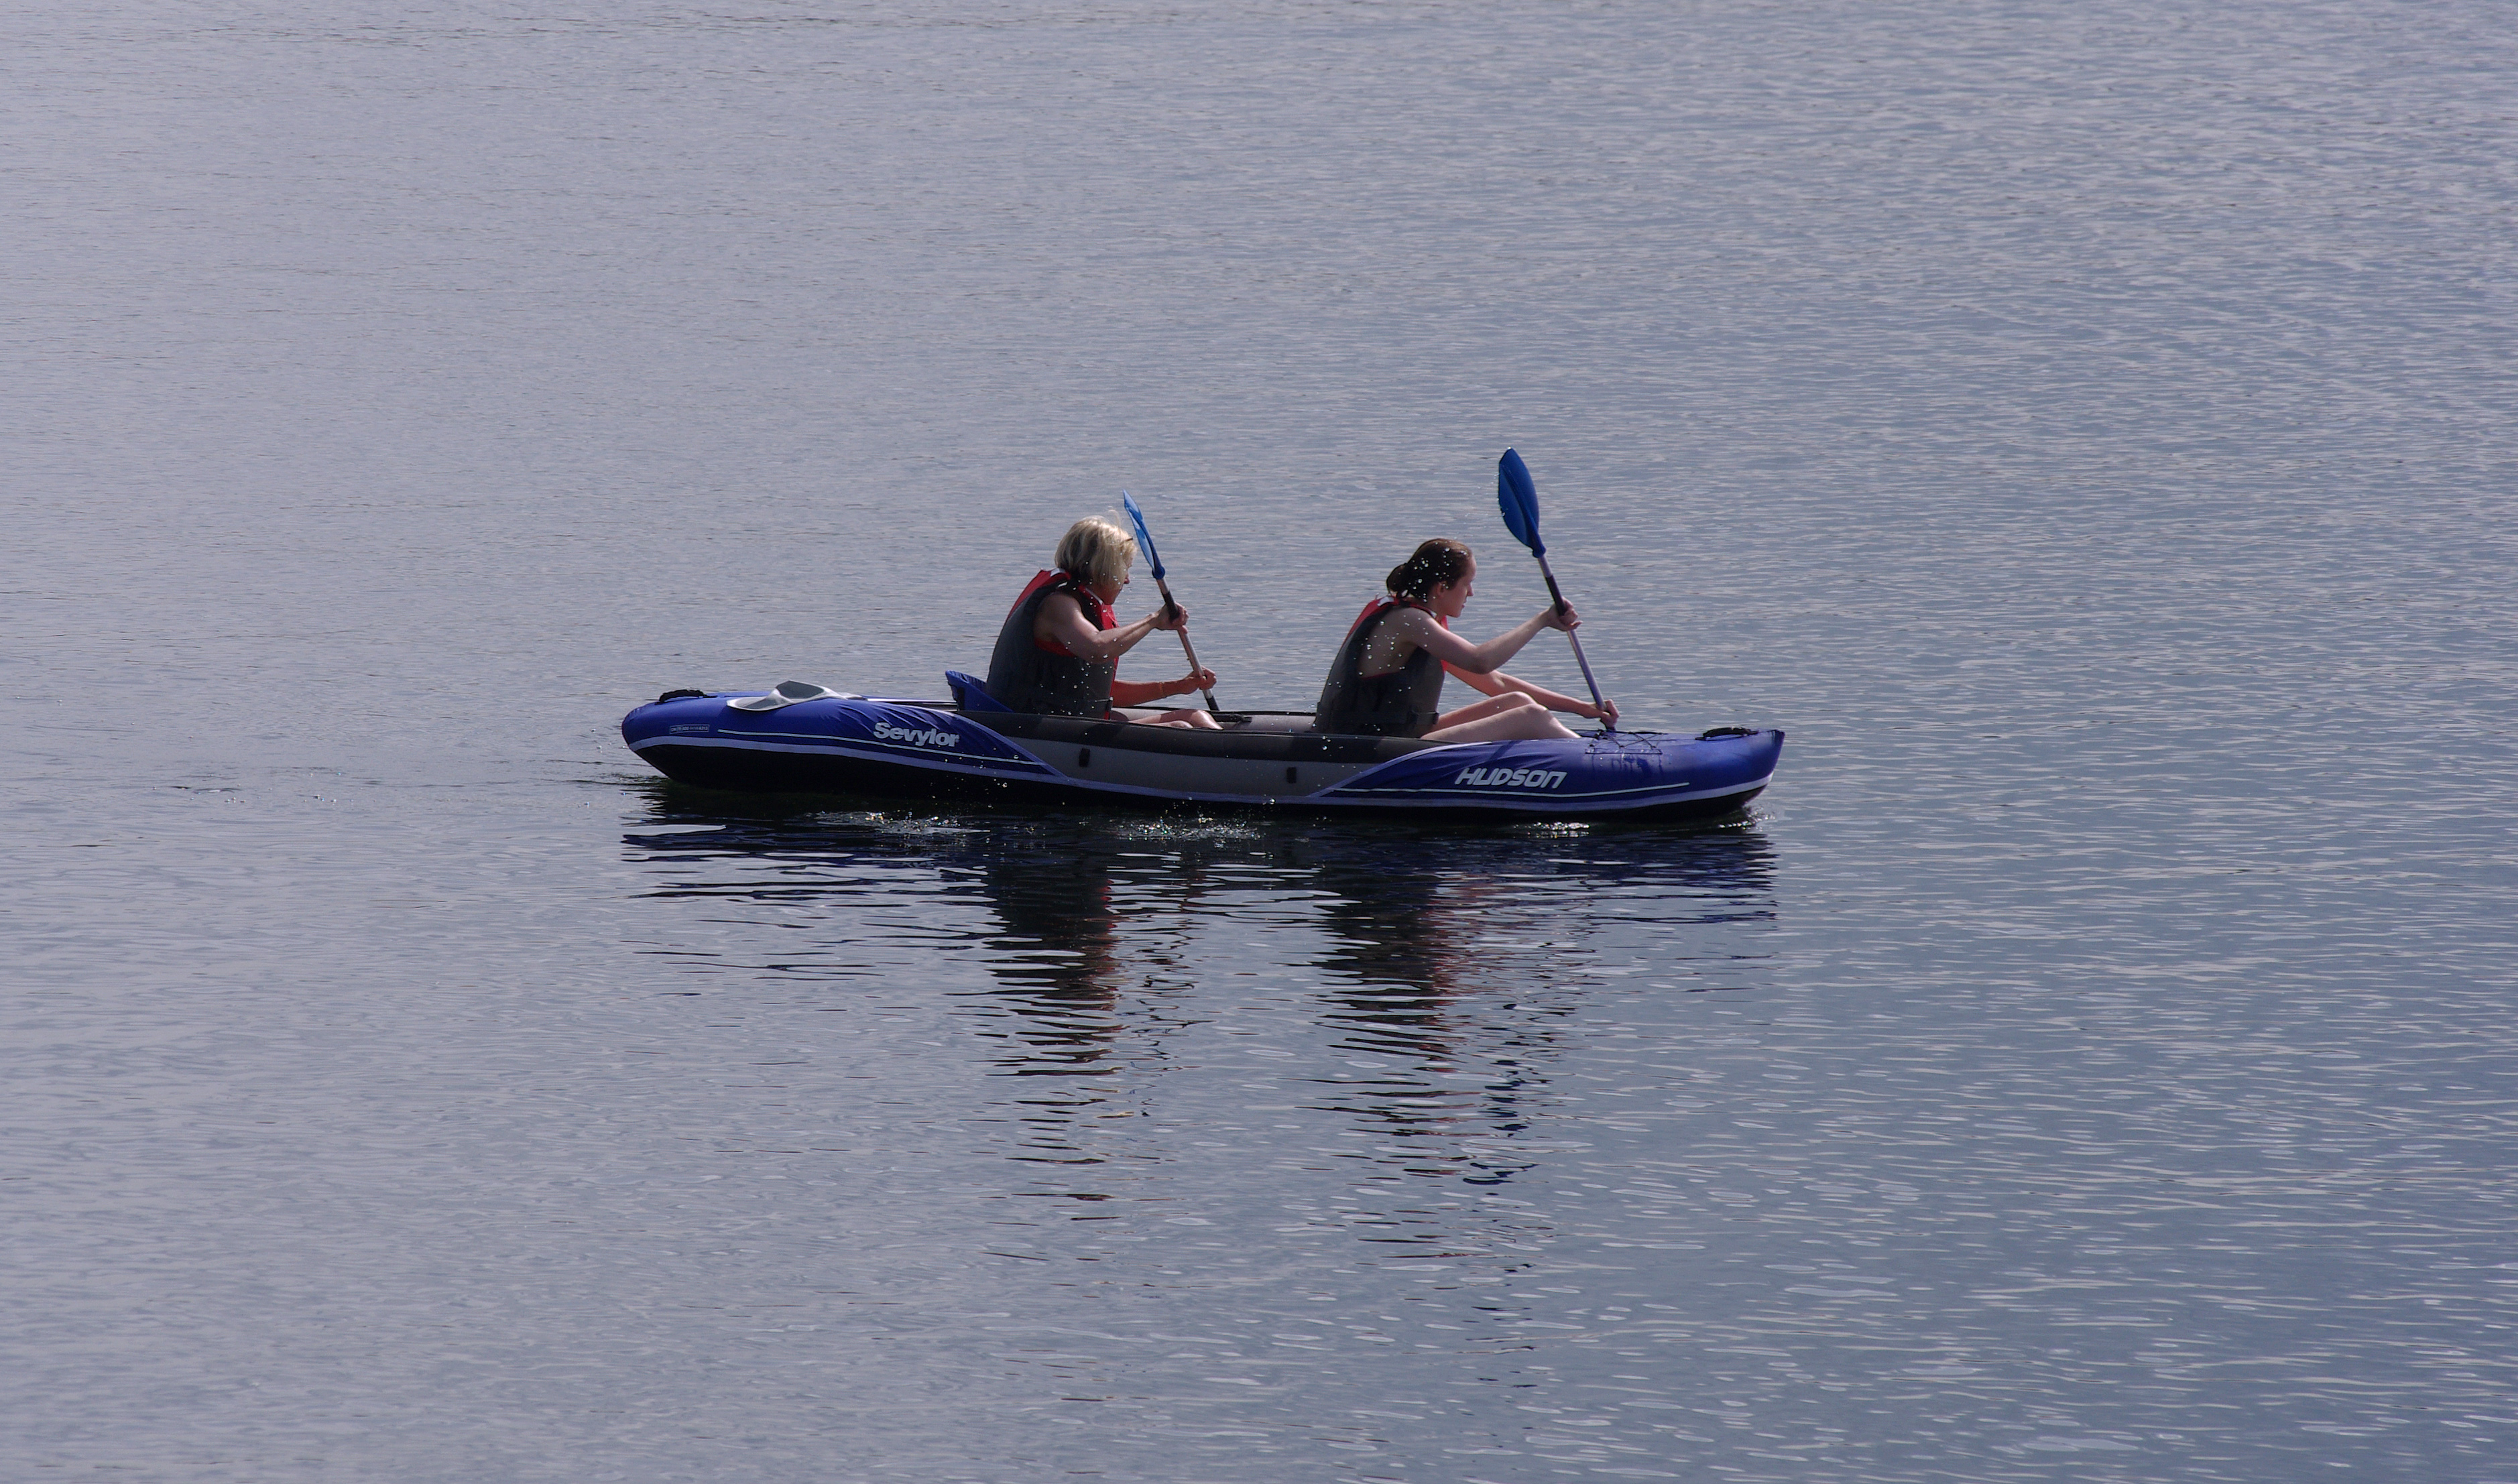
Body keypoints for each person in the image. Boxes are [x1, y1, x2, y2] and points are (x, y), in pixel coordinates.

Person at [1316, 538, 1618, 741]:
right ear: (1442, 588)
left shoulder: (1423, 623)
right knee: (1532, 716)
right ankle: (1595, 763)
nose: (1471, 594)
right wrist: (1541, 620)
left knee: (1517, 702)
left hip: (1404, 739)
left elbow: (1494, 682)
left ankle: (1578, 754)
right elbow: (1479, 660)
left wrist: (1581, 707)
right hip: (1376, 748)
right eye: (1467, 584)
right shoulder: (1409, 621)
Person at [983, 517, 1221, 729]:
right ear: (1103, 569)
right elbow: (1097, 649)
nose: (1127, 580)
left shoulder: (1080, 604)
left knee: (1197, 717)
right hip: (1039, 729)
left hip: (1071, 721)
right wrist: (1153, 621)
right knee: (1181, 727)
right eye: (1124, 570)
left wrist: (1177, 686)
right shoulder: (1058, 605)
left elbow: (1101, 693)